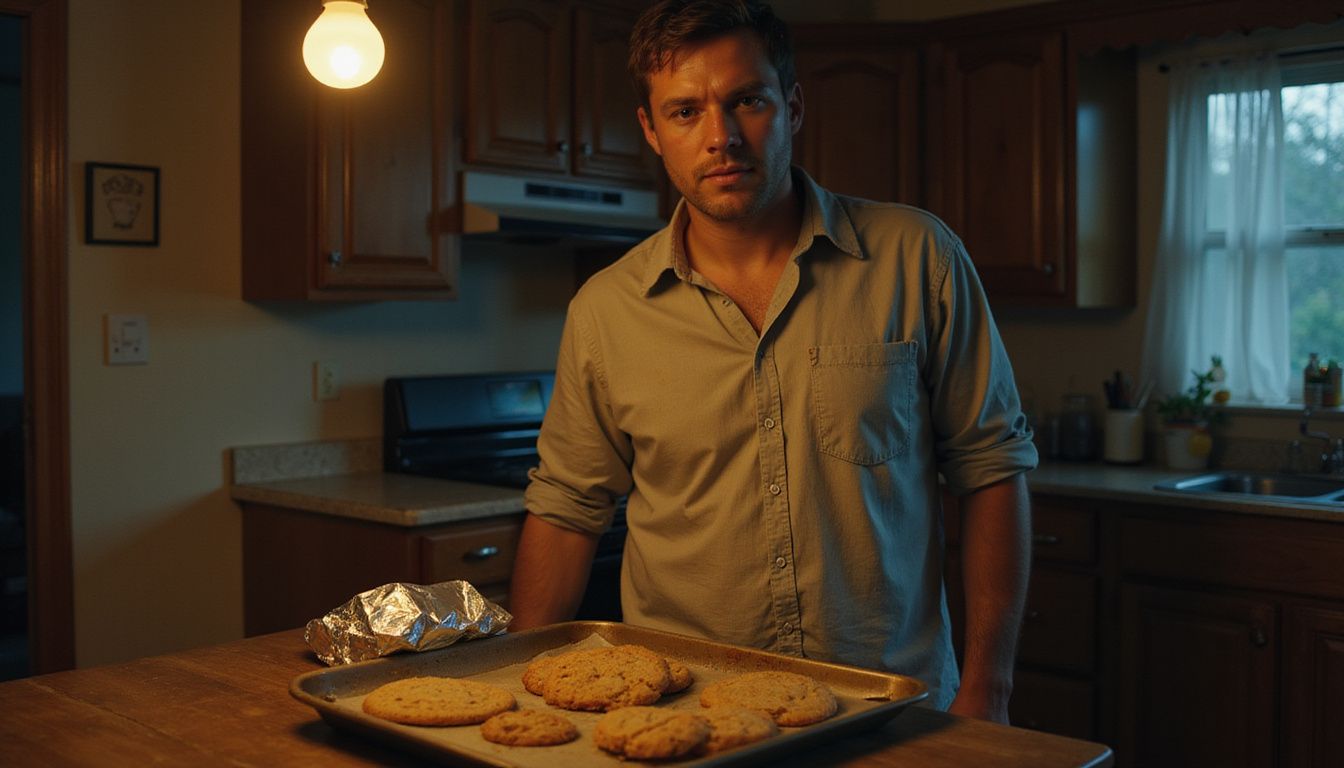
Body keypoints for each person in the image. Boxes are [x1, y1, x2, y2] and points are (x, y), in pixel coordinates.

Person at [508, 0, 1037, 724]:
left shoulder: (917, 258)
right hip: (684, 713)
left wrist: (991, 688)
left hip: (889, 708)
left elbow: (993, 469)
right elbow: (568, 509)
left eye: (746, 101)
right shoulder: (605, 310)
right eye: (686, 111)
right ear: (652, 132)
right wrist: (517, 695)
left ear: (791, 107)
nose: (720, 137)